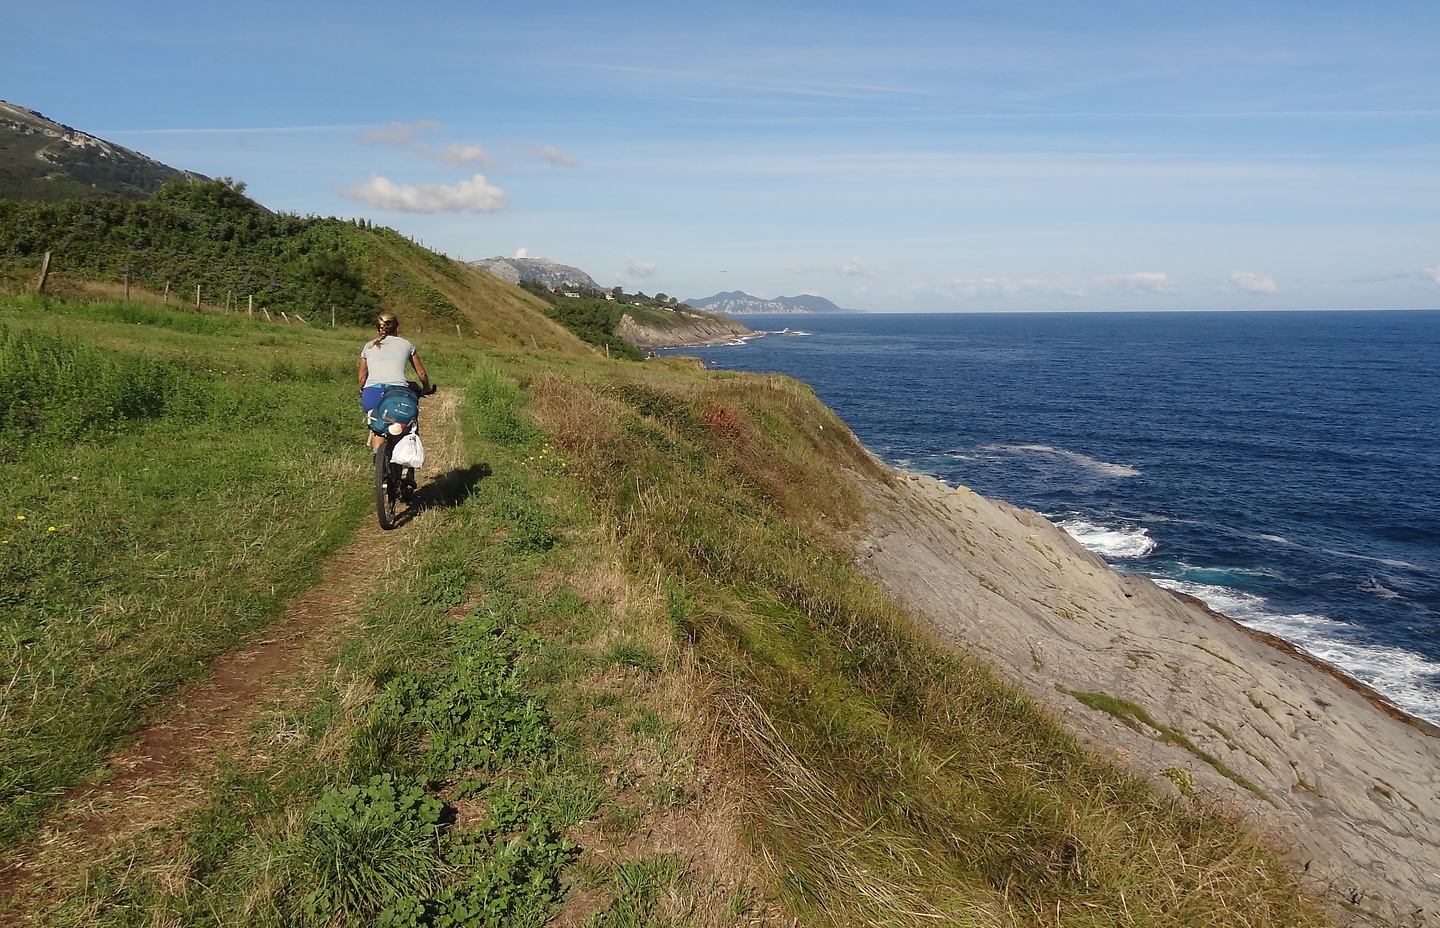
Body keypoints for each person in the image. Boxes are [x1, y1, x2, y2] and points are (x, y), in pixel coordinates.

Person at [358, 312, 430, 449]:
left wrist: (362, 390)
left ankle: (378, 460)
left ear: (378, 328)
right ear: (397, 328)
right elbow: (421, 373)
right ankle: (408, 456)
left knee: (377, 426)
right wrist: (425, 388)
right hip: (397, 393)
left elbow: (362, 377)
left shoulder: (368, 346)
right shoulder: (406, 345)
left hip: (371, 393)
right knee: (408, 421)